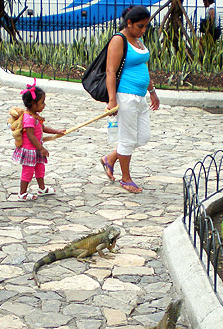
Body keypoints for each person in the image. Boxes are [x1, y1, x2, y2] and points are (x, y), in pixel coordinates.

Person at [100, 5, 160, 194]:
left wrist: (152, 90)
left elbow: (144, 66)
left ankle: (110, 159)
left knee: (143, 136)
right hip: (125, 96)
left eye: (145, 27)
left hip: (140, 96)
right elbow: (110, 70)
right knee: (127, 139)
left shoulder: (139, 40)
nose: (143, 30)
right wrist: (112, 100)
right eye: (140, 26)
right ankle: (126, 178)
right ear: (129, 23)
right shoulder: (119, 40)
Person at [12, 78, 66, 201]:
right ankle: (22, 193)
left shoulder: (35, 117)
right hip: (30, 150)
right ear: (33, 104)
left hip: (36, 149)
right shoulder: (29, 119)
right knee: (28, 172)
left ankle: (42, 188)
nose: (44, 105)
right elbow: (31, 136)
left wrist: (56, 131)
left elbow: (42, 128)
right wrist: (41, 148)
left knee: (40, 168)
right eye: (42, 102)